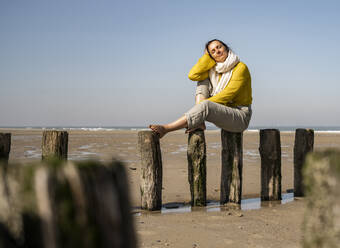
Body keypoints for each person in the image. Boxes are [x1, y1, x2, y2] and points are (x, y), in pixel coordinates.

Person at [149, 39, 252, 138]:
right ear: (211, 57)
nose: (218, 51)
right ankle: (199, 121)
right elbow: (193, 75)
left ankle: (166, 128)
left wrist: (202, 106)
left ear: (226, 48)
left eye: (219, 47)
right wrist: (207, 58)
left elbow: (227, 95)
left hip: (240, 116)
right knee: (202, 81)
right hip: (222, 112)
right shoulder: (213, 70)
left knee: (205, 105)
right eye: (213, 51)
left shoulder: (241, 68)